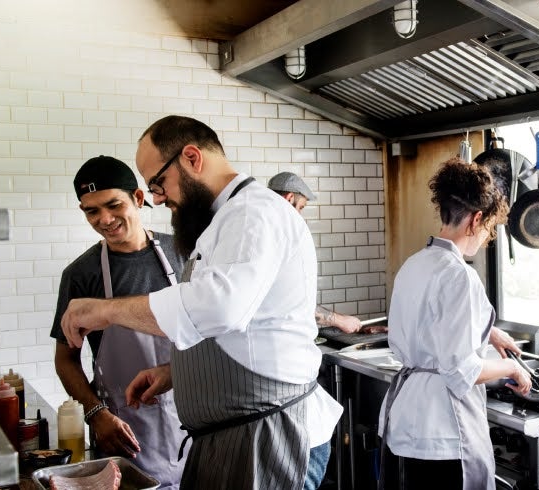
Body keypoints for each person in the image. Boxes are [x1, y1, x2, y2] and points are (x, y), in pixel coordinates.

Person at [59, 116, 341, 490]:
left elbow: (218, 308)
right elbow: (244, 328)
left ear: (191, 158)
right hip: (238, 435)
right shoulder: (223, 222)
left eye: (158, 183)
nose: (158, 198)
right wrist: (176, 371)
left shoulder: (253, 213)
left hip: (269, 436)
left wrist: (106, 309)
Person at [378, 158, 532, 490]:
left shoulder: (415, 264)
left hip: (405, 420)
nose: (487, 237)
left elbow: (432, 321)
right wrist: (513, 370)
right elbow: (462, 370)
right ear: (477, 219)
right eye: (490, 228)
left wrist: (489, 331)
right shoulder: (461, 277)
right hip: (443, 430)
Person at [50, 155, 185, 488]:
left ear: (138, 198)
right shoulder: (81, 274)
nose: (105, 219)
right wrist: (97, 415)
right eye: (91, 211)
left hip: (192, 418)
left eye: (113, 205)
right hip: (125, 431)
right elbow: (66, 360)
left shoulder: (182, 252)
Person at [267, 171, 368, 335]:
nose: (300, 216)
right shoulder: (278, 239)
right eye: (300, 208)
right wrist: (339, 320)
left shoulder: (266, 232)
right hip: (279, 342)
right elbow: (292, 302)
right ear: (289, 198)